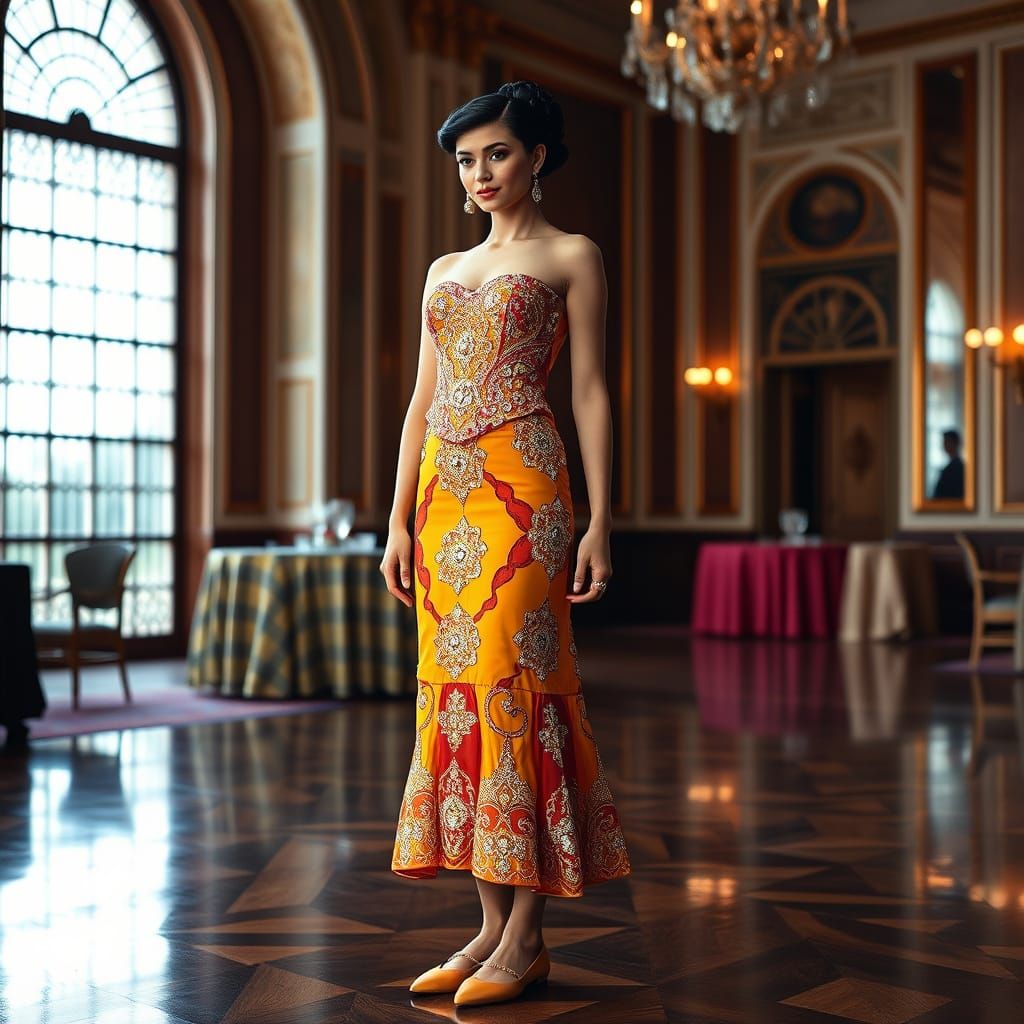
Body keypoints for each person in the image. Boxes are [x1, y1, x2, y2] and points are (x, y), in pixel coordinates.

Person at [379, 80, 630, 1008]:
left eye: (497, 154)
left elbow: (593, 390)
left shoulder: (572, 255)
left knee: (515, 690)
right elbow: (419, 403)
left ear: (538, 156)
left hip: (526, 494)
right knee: (457, 699)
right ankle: (489, 928)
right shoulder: (444, 271)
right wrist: (397, 519)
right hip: (445, 500)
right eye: (465, 160)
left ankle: (525, 940)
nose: (480, 174)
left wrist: (603, 517)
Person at [933, 428, 965, 500]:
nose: (943, 445)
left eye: (946, 442)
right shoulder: (950, 467)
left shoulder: (957, 468)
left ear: (954, 443)